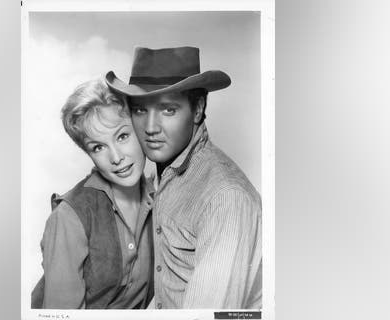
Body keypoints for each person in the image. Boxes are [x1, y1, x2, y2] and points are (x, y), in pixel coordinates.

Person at [106, 46, 262, 309]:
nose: (151, 128)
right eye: (140, 110)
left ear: (198, 109)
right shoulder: (163, 174)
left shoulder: (225, 198)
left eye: (168, 110)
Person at [31, 78, 154, 309]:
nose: (116, 157)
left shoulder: (162, 200)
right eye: (98, 147)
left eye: (123, 136)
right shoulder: (69, 216)